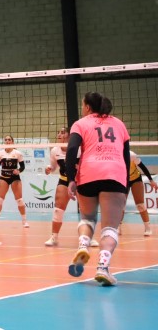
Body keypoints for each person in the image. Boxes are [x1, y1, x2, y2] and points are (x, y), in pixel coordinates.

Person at [65, 92, 131, 286]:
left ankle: (83, 245)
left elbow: (71, 150)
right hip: (114, 174)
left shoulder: (80, 124)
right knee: (110, 227)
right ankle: (102, 268)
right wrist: (125, 184)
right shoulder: (119, 124)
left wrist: (71, 179)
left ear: (87, 107)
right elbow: (126, 156)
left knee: (87, 218)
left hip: (88, 174)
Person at [0, 135, 28, 228]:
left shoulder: (17, 153)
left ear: (12, 142)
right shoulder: (1, 153)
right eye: (5, 140)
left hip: (15, 177)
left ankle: (24, 221)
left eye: (9, 139)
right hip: (4, 177)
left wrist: (18, 170)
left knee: (19, 200)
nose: (7, 141)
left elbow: (22, 166)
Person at [44, 127, 73, 247]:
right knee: (58, 210)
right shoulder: (55, 150)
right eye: (58, 132)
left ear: (69, 136)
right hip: (64, 180)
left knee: (85, 210)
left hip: (80, 181)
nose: (59, 134)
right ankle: (54, 237)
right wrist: (49, 169)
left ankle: (89, 237)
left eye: (62, 132)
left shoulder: (78, 148)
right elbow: (53, 166)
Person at [124, 150, 157, 236]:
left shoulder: (131, 155)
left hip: (135, 179)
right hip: (123, 179)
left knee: (140, 204)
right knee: (120, 205)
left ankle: (147, 228)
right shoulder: (114, 156)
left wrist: (151, 180)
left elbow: (143, 167)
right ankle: (117, 228)